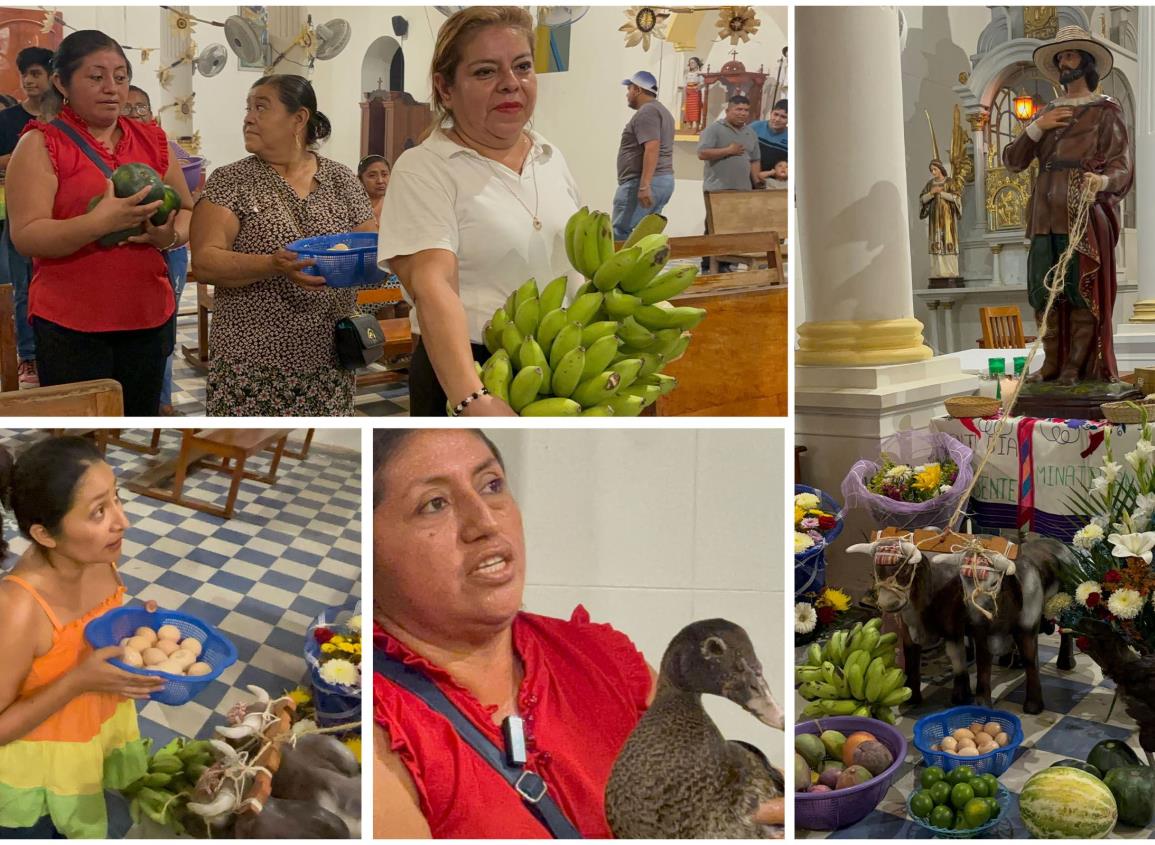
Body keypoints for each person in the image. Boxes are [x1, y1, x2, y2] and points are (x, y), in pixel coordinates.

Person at [371, 429, 786, 837]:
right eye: (435, 504)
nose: (484, 522)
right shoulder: (377, 735)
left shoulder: (602, 659)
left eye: (492, 484)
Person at [377, 6, 582, 418]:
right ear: (445, 88)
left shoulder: (549, 155)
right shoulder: (427, 167)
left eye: (522, 67)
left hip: (564, 361)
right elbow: (433, 285)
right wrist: (470, 396)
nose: (511, 84)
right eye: (486, 72)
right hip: (470, 367)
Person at [6, 31, 194, 416]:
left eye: (121, 77)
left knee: (138, 419)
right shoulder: (41, 144)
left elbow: (188, 210)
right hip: (70, 322)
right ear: (62, 83)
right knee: (84, 432)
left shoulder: (154, 140)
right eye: (96, 77)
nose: (112, 89)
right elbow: (26, 235)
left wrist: (168, 236)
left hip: (147, 315)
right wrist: (98, 223)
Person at [0, 436, 165, 838]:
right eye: (98, 512)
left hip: (87, 740)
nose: (121, 521)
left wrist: (132, 626)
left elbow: (83, 638)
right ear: (45, 534)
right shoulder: (20, 607)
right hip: (35, 770)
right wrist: (78, 680)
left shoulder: (99, 557)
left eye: (116, 499)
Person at [190, 74, 375, 416]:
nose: (248, 117)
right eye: (248, 108)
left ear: (299, 118)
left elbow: (368, 245)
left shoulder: (341, 179)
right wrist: (272, 265)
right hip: (252, 362)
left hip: (328, 359)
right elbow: (205, 262)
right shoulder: (232, 181)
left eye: (261, 107)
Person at [1003, 25, 1133, 385]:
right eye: (1059, 56)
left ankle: (1076, 365)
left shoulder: (1105, 111)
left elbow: (1121, 165)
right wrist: (1036, 128)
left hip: (1082, 213)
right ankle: (1050, 362)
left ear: (1086, 62)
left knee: (1079, 290)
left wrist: (1102, 182)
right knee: (1044, 293)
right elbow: (1013, 160)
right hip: (1044, 213)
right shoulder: (1046, 113)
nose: (1063, 61)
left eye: (1071, 54)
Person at [122, 84, 194, 416]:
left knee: (165, 321)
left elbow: (184, 205)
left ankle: (161, 400)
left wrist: (169, 236)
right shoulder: (108, 152)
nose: (135, 114)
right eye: (128, 108)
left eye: (142, 109)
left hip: (168, 249)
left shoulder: (162, 148)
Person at [0, 46, 55, 388]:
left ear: (54, 78)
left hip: (57, 210)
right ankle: (28, 356)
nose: (29, 81)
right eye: (25, 74)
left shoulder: (61, 116)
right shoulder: (7, 120)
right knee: (23, 287)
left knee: (55, 281)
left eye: (36, 73)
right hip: (17, 210)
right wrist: (25, 157)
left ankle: (53, 349)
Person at [697, 94, 762, 271]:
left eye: (746, 110)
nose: (742, 113)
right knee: (714, 229)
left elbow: (755, 159)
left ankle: (728, 264)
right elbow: (702, 153)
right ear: (728, 110)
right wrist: (728, 150)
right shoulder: (714, 129)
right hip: (718, 189)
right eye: (738, 109)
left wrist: (756, 179)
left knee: (736, 229)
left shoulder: (750, 133)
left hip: (742, 190)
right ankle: (708, 265)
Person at [612, 70, 675, 242]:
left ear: (637, 90)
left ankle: (620, 270)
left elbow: (652, 147)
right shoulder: (663, 112)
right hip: (662, 180)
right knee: (645, 237)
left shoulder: (647, 112)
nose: (627, 94)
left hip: (643, 181)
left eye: (629, 89)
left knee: (621, 234)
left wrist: (644, 185)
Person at [919, 158, 962, 279]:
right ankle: (937, 272)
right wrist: (931, 193)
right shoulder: (930, 184)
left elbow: (957, 198)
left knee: (947, 240)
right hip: (935, 219)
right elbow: (922, 199)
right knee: (936, 241)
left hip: (947, 219)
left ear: (941, 169)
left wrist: (941, 193)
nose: (933, 172)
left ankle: (950, 271)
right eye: (931, 170)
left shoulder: (949, 182)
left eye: (935, 169)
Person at [750, 98, 787, 172]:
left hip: (773, 180)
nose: (777, 119)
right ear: (771, 113)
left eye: (783, 117)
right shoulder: (755, 127)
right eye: (775, 114)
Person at [358, 154, 391, 229]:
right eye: (372, 176)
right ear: (360, 179)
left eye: (384, 174)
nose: (380, 181)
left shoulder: (395, 205)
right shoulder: (356, 207)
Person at [680, 56, 703, 133]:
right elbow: (684, 83)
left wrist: (698, 87)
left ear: (697, 64)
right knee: (689, 108)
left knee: (696, 108)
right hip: (689, 92)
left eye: (693, 62)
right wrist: (685, 89)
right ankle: (689, 124)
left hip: (696, 92)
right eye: (690, 63)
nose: (691, 64)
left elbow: (702, 82)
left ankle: (696, 125)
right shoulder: (687, 74)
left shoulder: (699, 73)